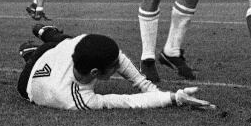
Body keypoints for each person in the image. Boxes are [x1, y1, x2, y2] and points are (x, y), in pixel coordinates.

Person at [17, 24, 214, 110]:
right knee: (51, 47)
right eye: (114, 66)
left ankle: (45, 32)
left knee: (65, 40)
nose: (119, 65)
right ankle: (30, 53)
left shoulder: (81, 44)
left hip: (53, 52)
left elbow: (118, 57)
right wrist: (173, 98)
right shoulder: (78, 99)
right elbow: (127, 101)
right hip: (28, 82)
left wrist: (149, 88)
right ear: (95, 72)